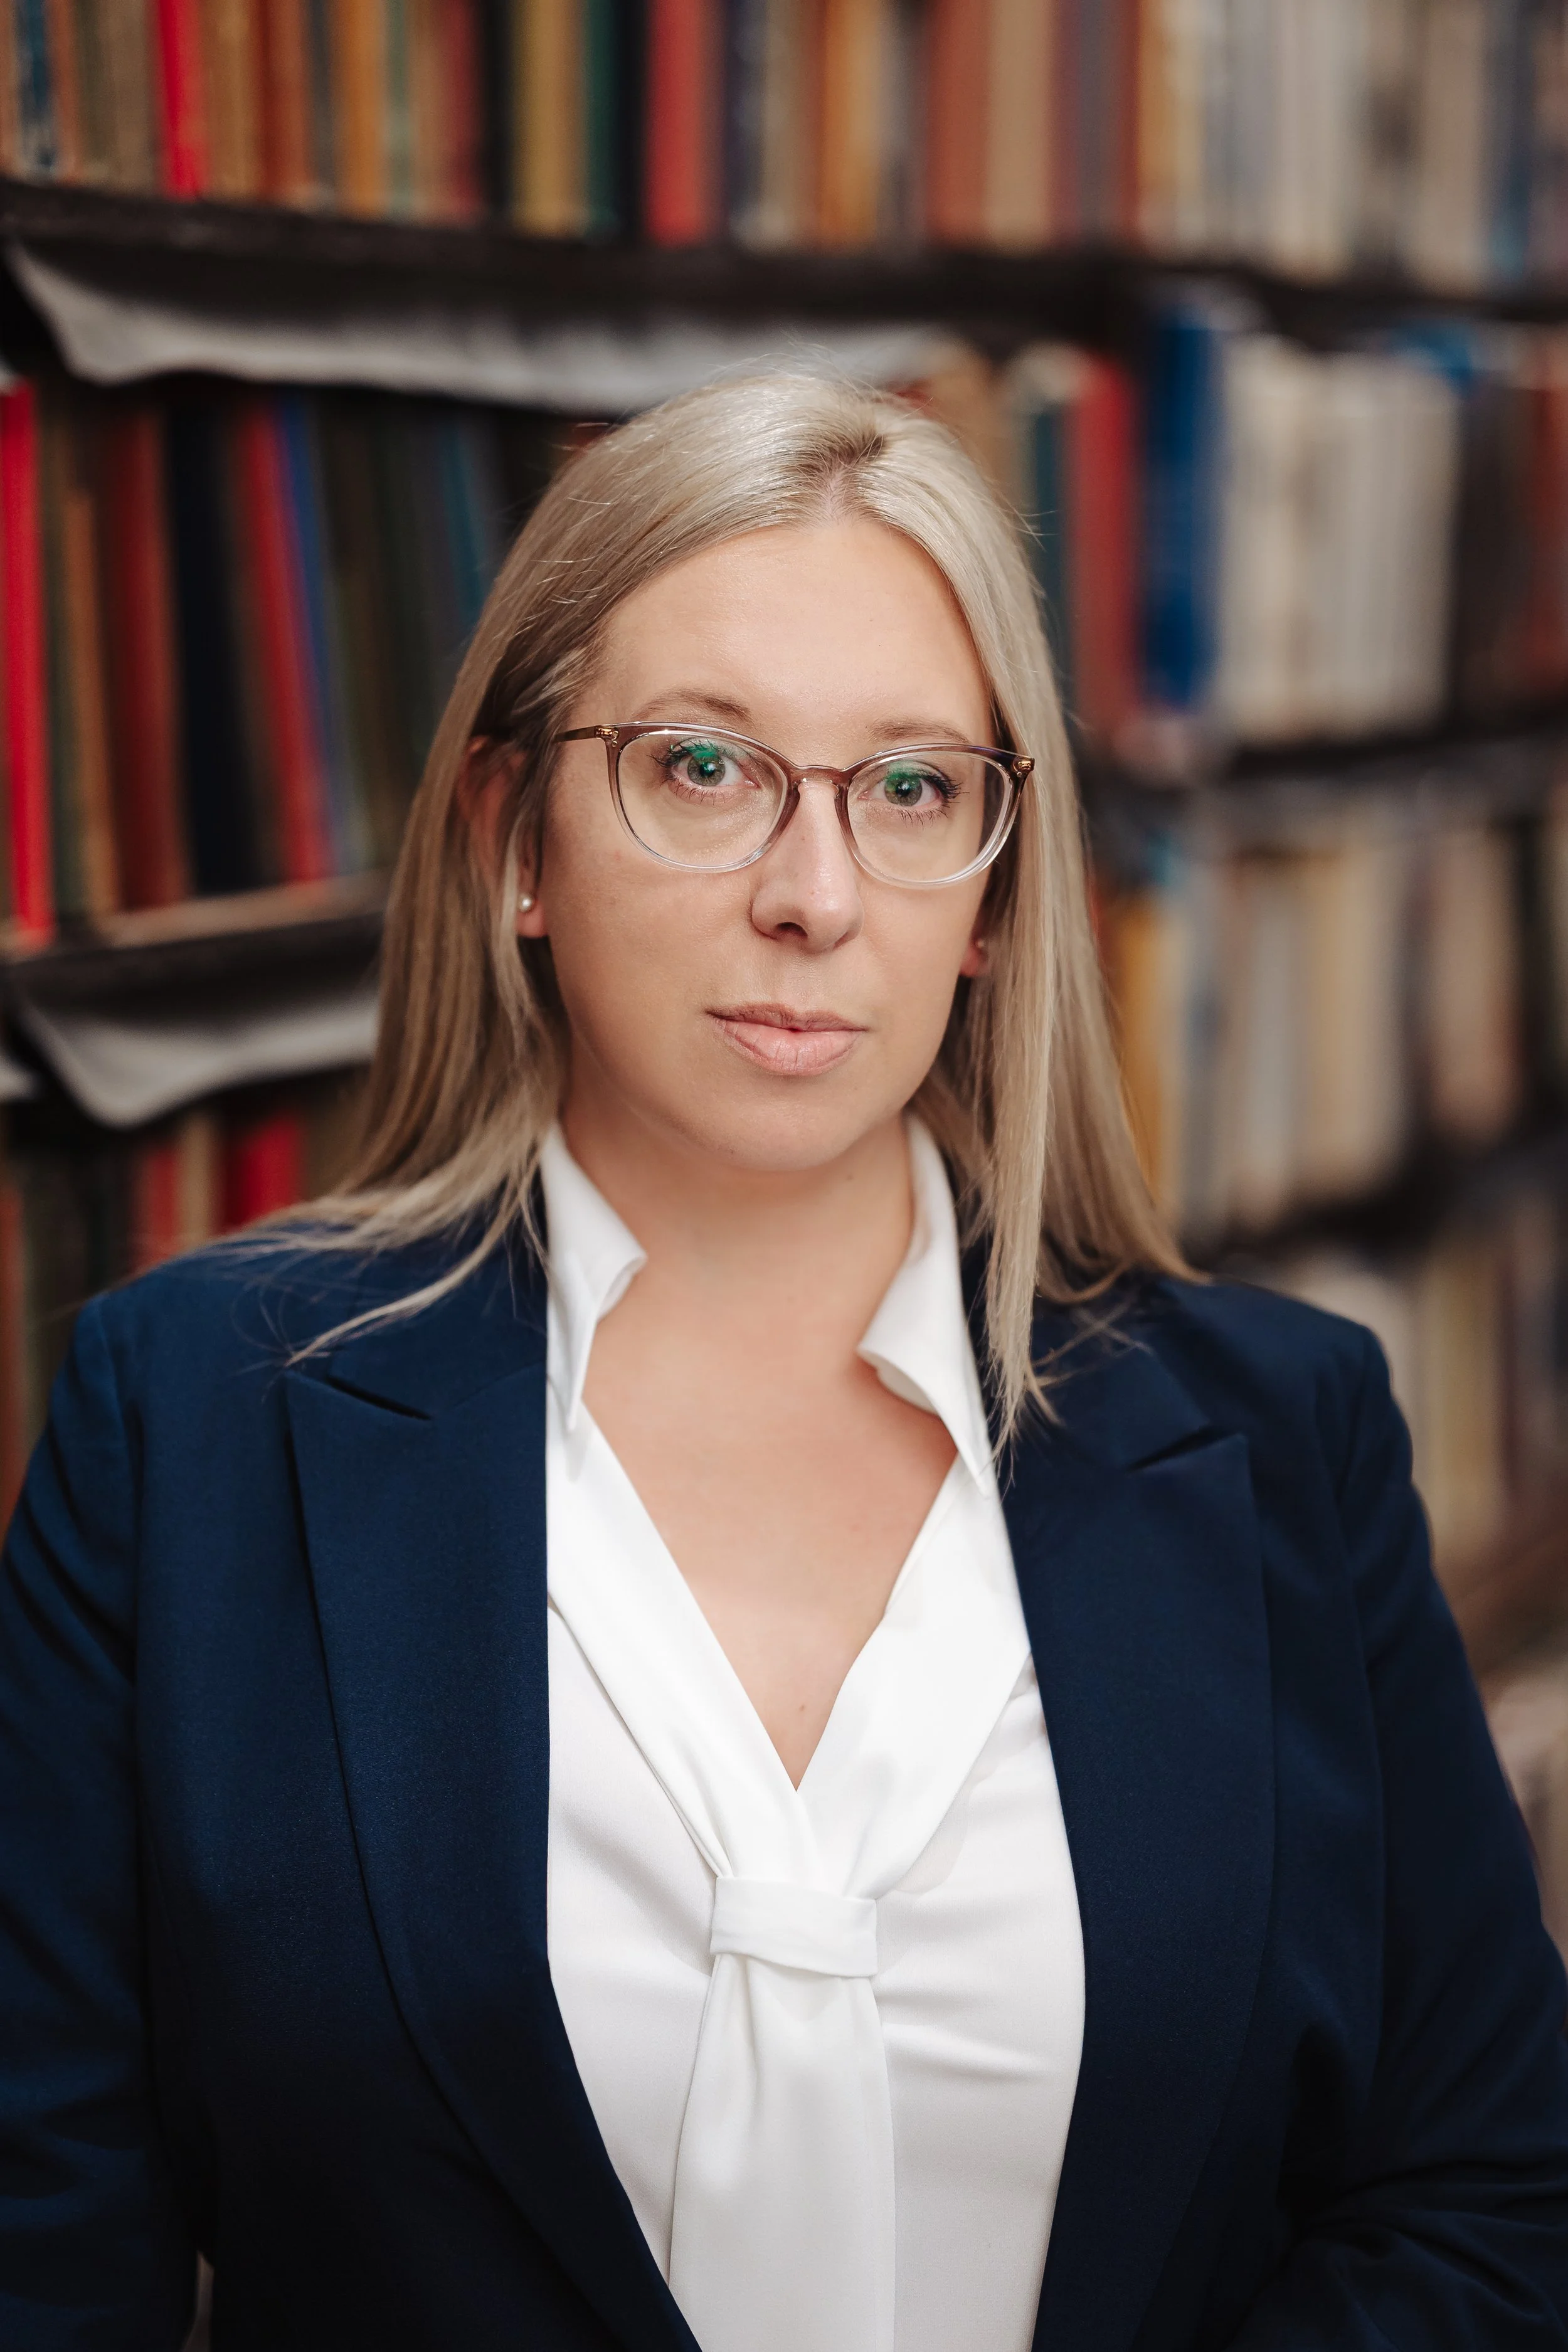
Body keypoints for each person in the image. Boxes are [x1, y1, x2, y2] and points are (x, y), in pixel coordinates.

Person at [2, 373, 1566, 2352]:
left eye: (910, 789)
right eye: (702, 765)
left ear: (994, 888)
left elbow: (1488, 2195)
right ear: (511, 837)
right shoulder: (188, 1422)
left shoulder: (1281, 1434)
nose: (812, 897)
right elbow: (45, 2251)